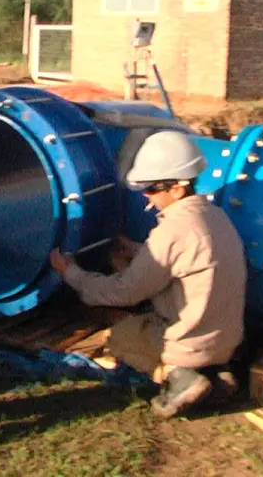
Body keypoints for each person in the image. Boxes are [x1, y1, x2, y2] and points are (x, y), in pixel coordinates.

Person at [48, 130, 247, 419]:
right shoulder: (214, 216)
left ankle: (180, 375)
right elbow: (185, 258)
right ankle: (216, 374)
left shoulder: (170, 231)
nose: (145, 195)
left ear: (177, 188)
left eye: (152, 188)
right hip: (227, 338)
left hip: (187, 342)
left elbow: (125, 292)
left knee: (119, 337)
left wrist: (72, 274)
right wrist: (136, 249)